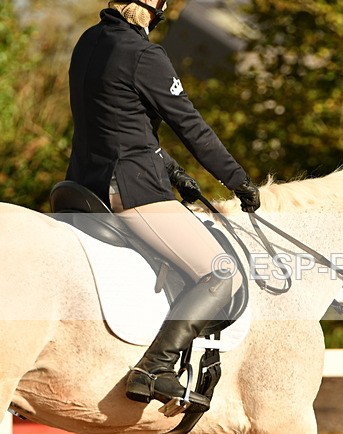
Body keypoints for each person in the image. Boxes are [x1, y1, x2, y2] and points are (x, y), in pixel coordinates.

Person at [66, 0, 260, 413]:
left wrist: (174, 172)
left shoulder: (87, 42)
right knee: (221, 272)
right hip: (130, 190)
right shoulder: (144, 53)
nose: (159, 15)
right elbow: (191, 126)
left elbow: (118, 124)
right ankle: (156, 367)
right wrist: (237, 179)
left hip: (81, 183)